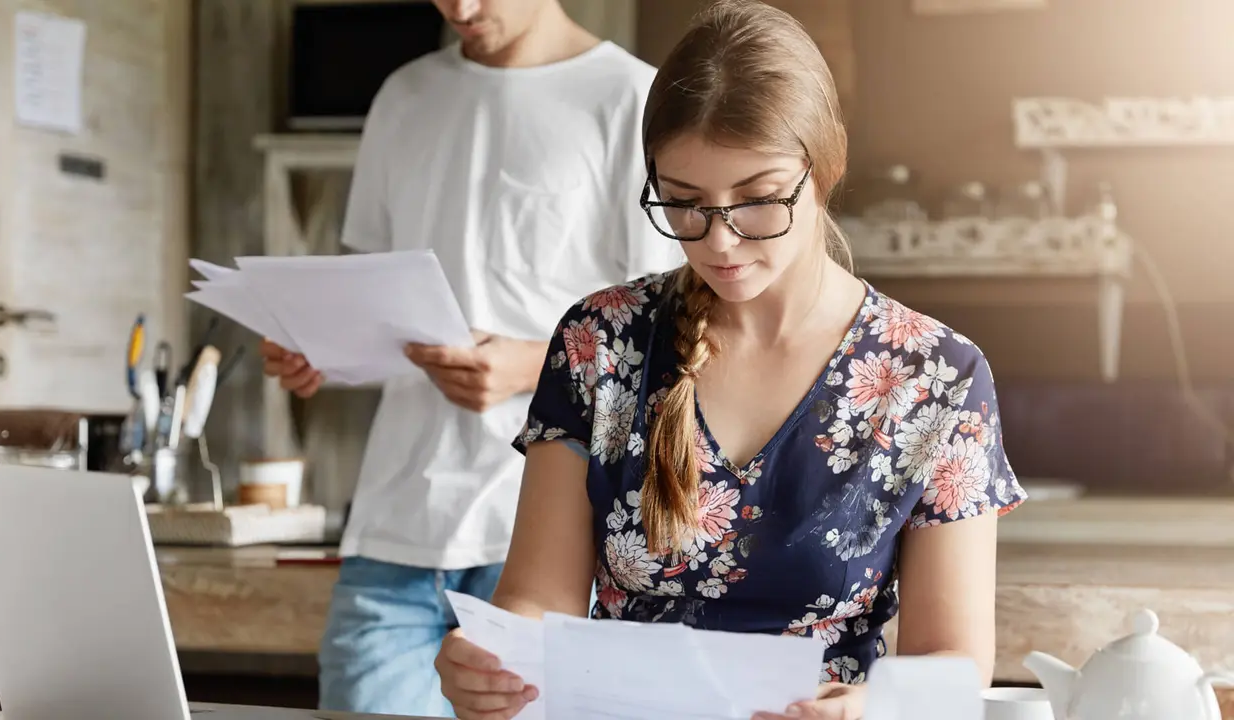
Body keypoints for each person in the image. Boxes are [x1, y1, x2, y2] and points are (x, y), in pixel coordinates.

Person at [433, 1, 1028, 718]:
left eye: (757, 201)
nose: (719, 242)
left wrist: (867, 709)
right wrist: (494, 661)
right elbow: (537, 597)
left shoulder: (938, 377)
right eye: (684, 204)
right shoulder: (601, 340)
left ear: (825, 168)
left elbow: (953, 667)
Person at [259, 0, 680, 716]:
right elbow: (378, 295)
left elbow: (673, 331)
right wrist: (324, 346)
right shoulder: (405, 96)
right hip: (396, 524)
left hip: (552, 536)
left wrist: (533, 367)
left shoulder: (631, 98)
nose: (462, 8)